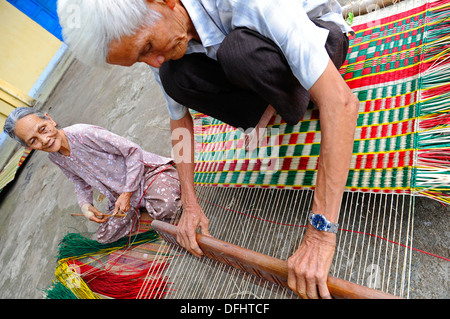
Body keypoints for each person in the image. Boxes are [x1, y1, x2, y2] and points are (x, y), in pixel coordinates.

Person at [57, 0, 360, 299]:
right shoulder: (162, 40)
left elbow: (342, 103)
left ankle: (292, 99)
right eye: (140, 59)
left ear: (161, 2)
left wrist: (320, 233)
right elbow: (179, 121)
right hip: (256, 61)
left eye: (147, 47)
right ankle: (273, 104)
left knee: (239, 51)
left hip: (320, 37)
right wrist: (190, 203)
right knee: (175, 77)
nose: (153, 61)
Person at [3, 107, 181, 244]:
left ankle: (150, 199)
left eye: (43, 129)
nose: (44, 140)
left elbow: (133, 152)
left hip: (147, 175)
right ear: (29, 147)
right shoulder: (55, 156)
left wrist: (127, 193)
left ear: (50, 120)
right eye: (33, 140)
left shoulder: (82, 133)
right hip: (119, 196)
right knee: (104, 236)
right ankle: (142, 205)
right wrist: (85, 205)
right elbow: (78, 180)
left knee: (169, 208)